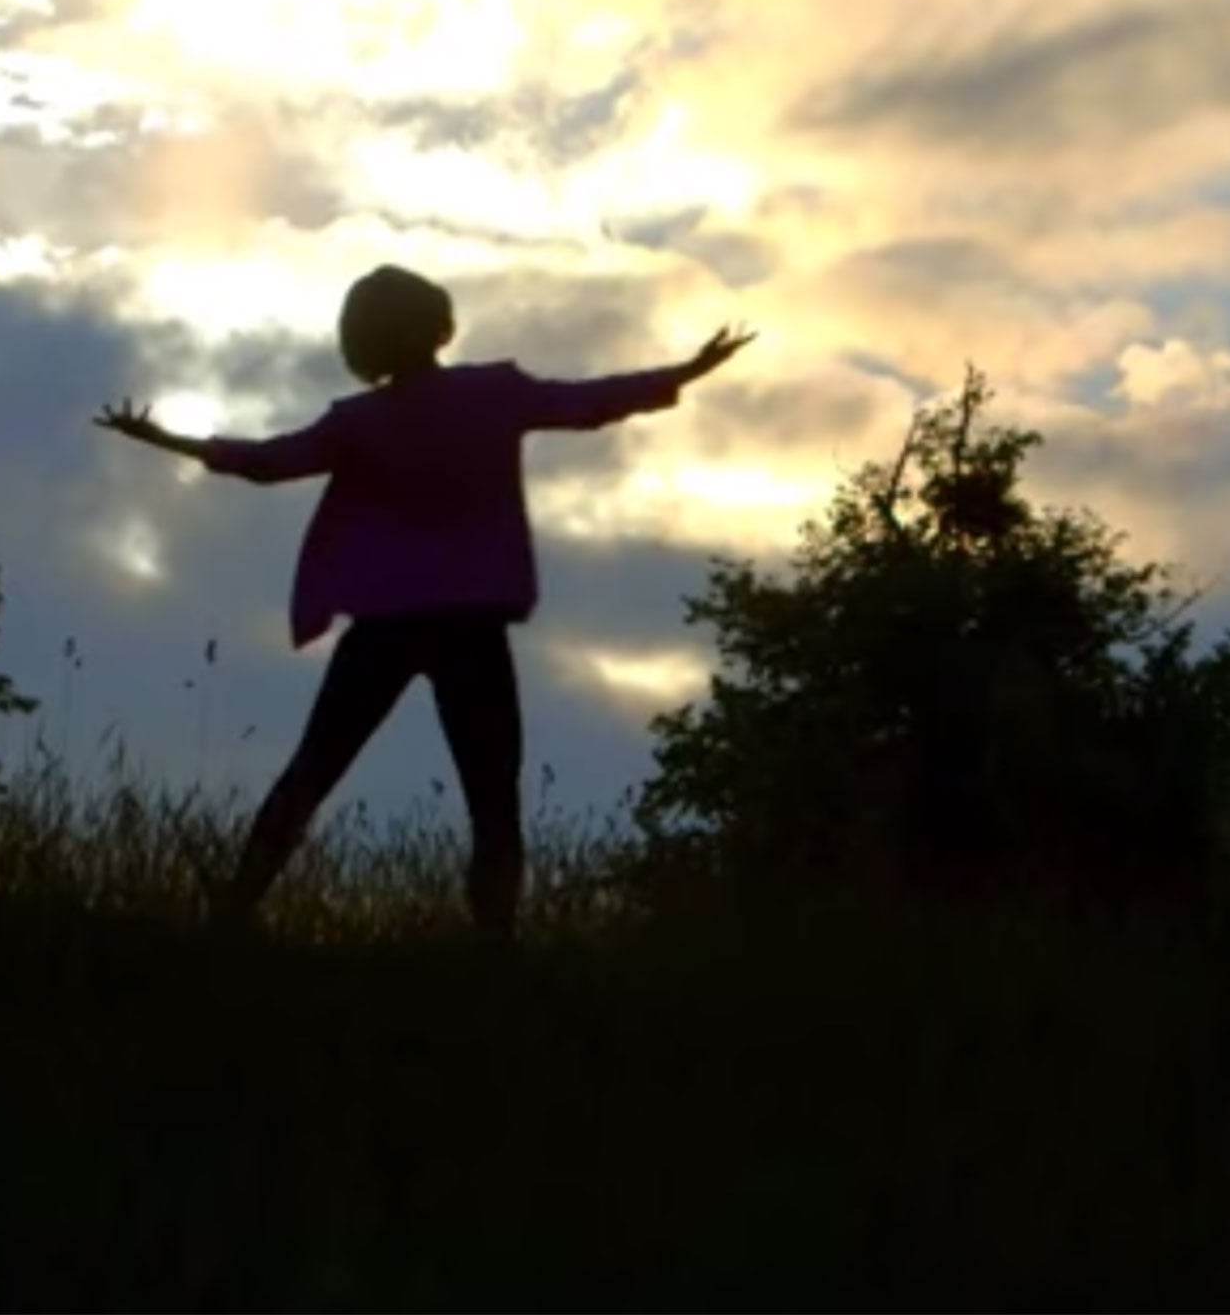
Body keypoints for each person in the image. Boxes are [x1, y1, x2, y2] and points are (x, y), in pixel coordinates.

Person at [94, 264, 753, 940]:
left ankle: (232, 913)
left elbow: (269, 461)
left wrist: (165, 440)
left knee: (314, 771)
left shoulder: (361, 420)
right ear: (437, 323)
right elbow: (585, 401)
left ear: (362, 341)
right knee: (492, 799)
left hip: (387, 624)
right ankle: (495, 947)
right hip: (469, 624)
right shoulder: (489, 394)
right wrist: (689, 369)